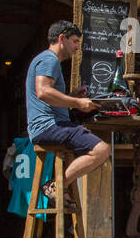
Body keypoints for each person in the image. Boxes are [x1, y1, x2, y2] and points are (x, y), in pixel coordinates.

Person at [25, 21, 111, 204]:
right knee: (102, 150)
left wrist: (70, 97)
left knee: (96, 149)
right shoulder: (49, 59)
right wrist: (78, 102)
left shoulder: (47, 60)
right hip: (49, 126)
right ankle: (56, 186)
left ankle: (60, 189)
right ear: (61, 39)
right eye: (74, 41)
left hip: (49, 126)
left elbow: (48, 96)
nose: (77, 47)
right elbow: (43, 92)